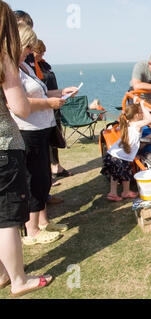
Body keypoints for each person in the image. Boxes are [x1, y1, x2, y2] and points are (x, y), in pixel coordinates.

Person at [0, 0, 52, 297]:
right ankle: (18, 279)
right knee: (6, 219)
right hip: (4, 145)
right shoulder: (4, 58)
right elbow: (20, 107)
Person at [13, 22, 79, 245]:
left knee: (43, 177)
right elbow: (20, 102)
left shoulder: (25, 66)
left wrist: (61, 92)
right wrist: (49, 102)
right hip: (27, 130)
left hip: (41, 127)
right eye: (29, 47)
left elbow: (40, 91)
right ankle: (31, 230)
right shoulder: (12, 69)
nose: (31, 51)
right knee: (34, 179)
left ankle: (43, 222)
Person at [25, 39, 73, 183]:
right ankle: (47, 174)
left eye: (43, 52)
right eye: (39, 52)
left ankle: (56, 166)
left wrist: (61, 93)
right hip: (42, 108)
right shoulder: (28, 66)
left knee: (55, 138)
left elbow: (50, 83)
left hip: (54, 104)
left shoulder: (45, 65)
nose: (42, 54)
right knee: (43, 144)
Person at [101, 102, 151, 201]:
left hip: (112, 155)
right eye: (142, 112)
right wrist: (142, 105)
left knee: (115, 175)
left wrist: (135, 101)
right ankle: (125, 192)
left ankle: (114, 193)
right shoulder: (136, 124)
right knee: (126, 175)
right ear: (137, 115)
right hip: (119, 158)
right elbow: (149, 119)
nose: (143, 114)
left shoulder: (128, 123)